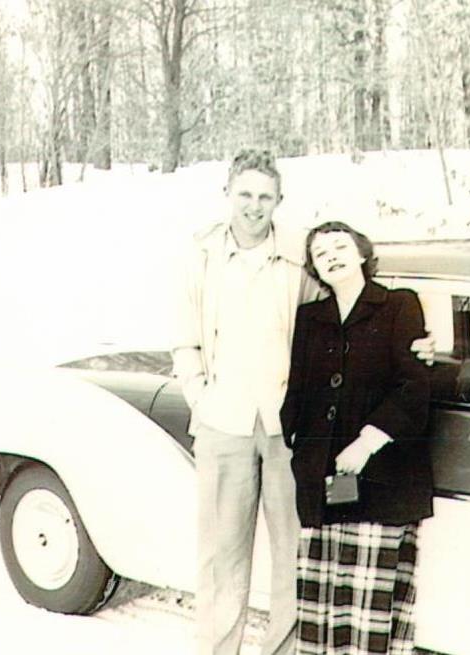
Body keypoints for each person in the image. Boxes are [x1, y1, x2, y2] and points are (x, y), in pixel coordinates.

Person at [172, 151, 432, 655]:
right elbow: (185, 339)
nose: (254, 205)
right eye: (245, 194)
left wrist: (421, 346)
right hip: (223, 422)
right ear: (227, 193)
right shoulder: (200, 256)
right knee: (221, 557)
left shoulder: (299, 258)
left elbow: (348, 313)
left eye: (265, 196)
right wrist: (200, 397)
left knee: (293, 556)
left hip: (285, 430)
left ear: (279, 200)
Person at [280, 221, 433, 655]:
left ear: (362, 253)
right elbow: (298, 390)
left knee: (370, 619)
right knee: (323, 612)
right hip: (323, 484)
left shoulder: (399, 305)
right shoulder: (310, 319)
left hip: (383, 478)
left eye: (340, 246)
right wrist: (300, 444)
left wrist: (367, 442)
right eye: (321, 253)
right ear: (314, 269)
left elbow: (413, 385)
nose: (332, 256)